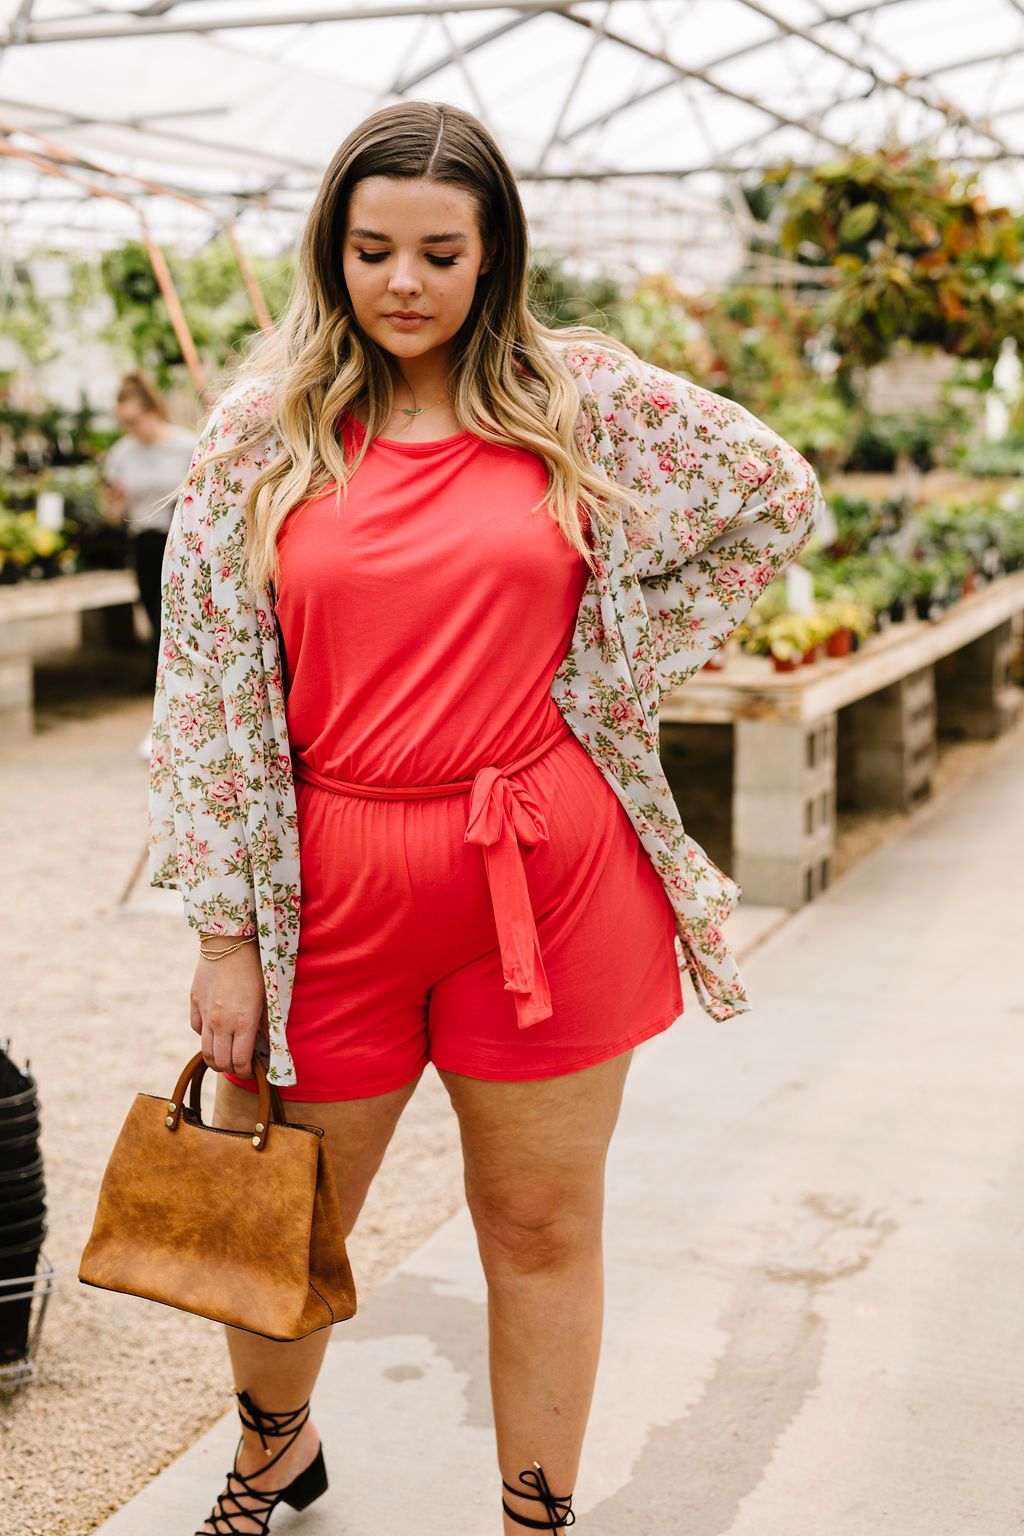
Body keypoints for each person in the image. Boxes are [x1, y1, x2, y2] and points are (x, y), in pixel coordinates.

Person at [147, 101, 825, 1535]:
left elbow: (773, 495)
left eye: (440, 253)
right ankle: (274, 1448)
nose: (404, 283)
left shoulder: (579, 399)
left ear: (492, 254)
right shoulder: (257, 435)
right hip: (331, 879)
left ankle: (538, 1518)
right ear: (333, 249)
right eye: (373, 248)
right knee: (283, 1221)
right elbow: (202, 689)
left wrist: (613, 662)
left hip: (550, 869)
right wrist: (223, 931)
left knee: (539, 1224)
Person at [101, 369, 195, 754]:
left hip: (183, 544)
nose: (131, 429)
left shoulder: (186, 445)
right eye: (124, 422)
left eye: (135, 420)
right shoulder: (121, 454)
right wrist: (113, 503)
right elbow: (111, 516)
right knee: (157, 631)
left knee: (185, 630)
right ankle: (161, 725)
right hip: (145, 546)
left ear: (152, 410)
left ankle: (190, 719)